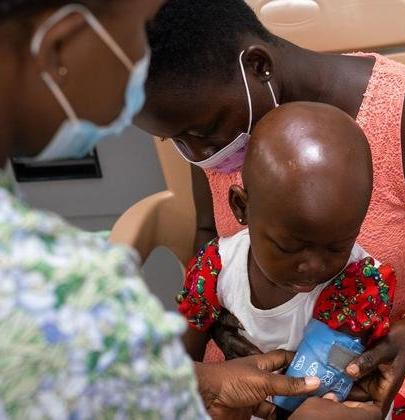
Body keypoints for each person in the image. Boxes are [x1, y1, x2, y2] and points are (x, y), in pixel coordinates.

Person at [136, 0, 405, 418]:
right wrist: (218, 322)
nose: (200, 154)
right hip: (244, 375)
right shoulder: (220, 140)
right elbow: (209, 238)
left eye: (202, 131)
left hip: (395, 363)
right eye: (177, 140)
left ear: (257, 66)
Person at [0, 1, 384, 418]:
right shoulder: (72, 302)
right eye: (139, 36)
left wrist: (205, 382)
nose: (145, 66)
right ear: (60, 46)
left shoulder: (356, 281)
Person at [176, 101, 405, 417]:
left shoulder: (356, 283)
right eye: (289, 247)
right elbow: (181, 367)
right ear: (241, 207)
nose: (314, 267)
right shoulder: (215, 269)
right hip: (249, 400)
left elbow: (327, 379)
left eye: (336, 248)